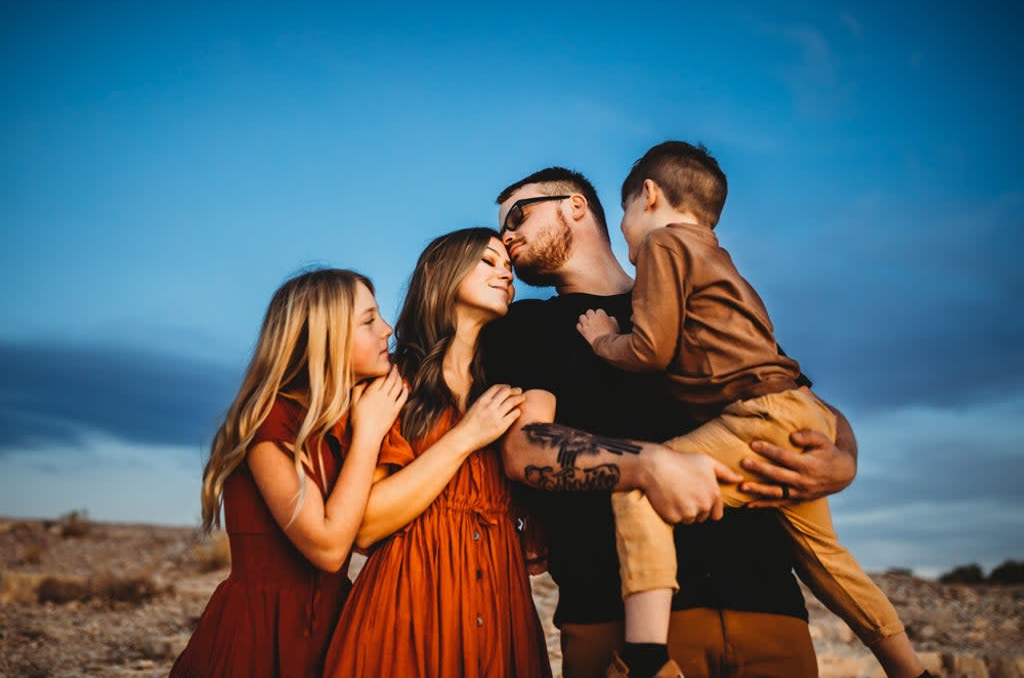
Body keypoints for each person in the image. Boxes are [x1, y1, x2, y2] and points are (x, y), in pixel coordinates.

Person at [484, 166, 861, 678]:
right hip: (616, 623)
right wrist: (651, 464)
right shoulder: (528, 328)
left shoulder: (695, 293)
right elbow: (525, 449)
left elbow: (794, 397)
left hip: (768, 607)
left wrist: (844, 460)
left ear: (575, 206)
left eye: (518, 215)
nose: (506, 236)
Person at [574, 141, 927, 678]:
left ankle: (646, 657)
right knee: (823, 556)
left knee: (640, 485)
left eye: (622, 213)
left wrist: (604, 340)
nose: (624, 230)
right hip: (798, 411)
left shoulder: (664, 245)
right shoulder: (722, 264)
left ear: (649, 197)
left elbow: (651, 349)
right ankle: (910, 670)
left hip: (756, 416)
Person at [323, 228, 552, 677]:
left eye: (508, 267)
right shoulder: (393, 384)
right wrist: (467, 436)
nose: (505, 273)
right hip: (411, 606)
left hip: (501, 606)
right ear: (441, 274)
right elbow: (366, 527)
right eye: (488, 261)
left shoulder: (506, 387)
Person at [171, 268, 408, 678]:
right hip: (261, 637)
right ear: (323, 338)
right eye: (368, 320)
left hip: (332, 627)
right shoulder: (270, 422)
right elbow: (329, 548)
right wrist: (370, 433)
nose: (387, 329)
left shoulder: (336, 423)